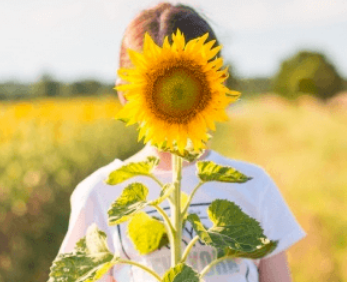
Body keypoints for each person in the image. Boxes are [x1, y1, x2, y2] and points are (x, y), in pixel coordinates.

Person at [58, 3, 306, 281]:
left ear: (216, 85)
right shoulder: (100, 194)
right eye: (158, 86)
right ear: (126, 93)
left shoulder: (254, 186)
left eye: (190, 79)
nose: (175, 94)